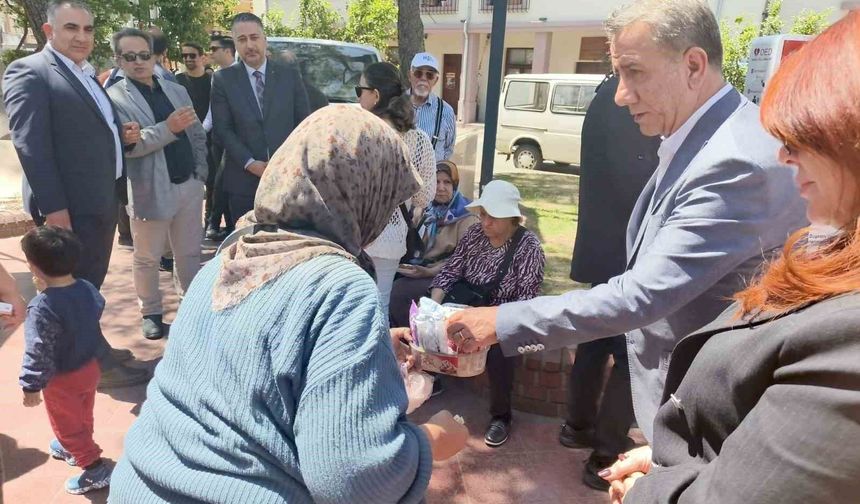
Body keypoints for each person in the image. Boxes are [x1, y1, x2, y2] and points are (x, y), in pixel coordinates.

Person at [446, 0, 808, 446]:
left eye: (634, 72)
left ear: (693, 65)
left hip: (712, 418)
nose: (620, 94)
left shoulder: (732, 161)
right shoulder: (708, 137)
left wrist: (499, 322)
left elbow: (641, 296)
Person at [108, 106, 467, 503]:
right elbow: (354, 478)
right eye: (387, 199)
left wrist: (367, 346)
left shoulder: (233, 252)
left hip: (141, 482)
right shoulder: (340, 285)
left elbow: (258, 356)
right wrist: (432, 442)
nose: (385, 216)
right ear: (361, 191)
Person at [603, 12, 860, 503]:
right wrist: (671, 460)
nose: (783, 157)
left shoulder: (849, 333)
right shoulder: (830, 254)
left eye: (803, 136)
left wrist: (651, 489)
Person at [3, 0, 149, 388]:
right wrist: (55, 210)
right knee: (73, 288)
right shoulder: (30, 72)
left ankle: (94, 349)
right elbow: (31, 146)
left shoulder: (86, 74)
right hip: (69, 209)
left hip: (100, 199)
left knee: (88, 285)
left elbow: (87, 133)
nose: (81, 37)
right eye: (71, 28)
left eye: (87, 29)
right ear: (50, 31)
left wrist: (122, 137)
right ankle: (87, 370)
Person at [559, 73, 661, 490]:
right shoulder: (631, 99)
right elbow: (638, 178)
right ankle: (604, 451)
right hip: (629, 248)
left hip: (602, 245)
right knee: (625, 353)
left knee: (595, 338)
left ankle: (577, 425)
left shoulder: (604, 94)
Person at [107, 28, 208, 340]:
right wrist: (168, 127)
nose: (139, 62)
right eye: (130, 56)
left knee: (189, 253)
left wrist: (200, 171)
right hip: (149, 189)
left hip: (188, 184)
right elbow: (132, 146)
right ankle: (150, 311)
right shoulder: (115, 97)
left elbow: (195, 133)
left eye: (144, 55)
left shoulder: (174, 88)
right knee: (148, 257)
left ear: (155, 56)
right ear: (118, 59)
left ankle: (190, 310)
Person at [430, 180, 545, 447]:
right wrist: (434, 308)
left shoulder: (529, 249)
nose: (485, 222)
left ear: (511, 218)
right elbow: (451, 270)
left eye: (493, 216)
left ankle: (501, 416)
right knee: (411, 304)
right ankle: (431, 375)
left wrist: (491, 326)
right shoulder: (474, 235)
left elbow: (524, 303)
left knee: (501, 349)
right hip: (465, 303)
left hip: (501, 314)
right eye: (483, 214)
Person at [19, 226, 112, 494]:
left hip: (62, 379)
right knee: (82, 412)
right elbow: (99, 304)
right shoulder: (86, 287)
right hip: (89, 367)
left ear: (35, 268)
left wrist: (31, 386)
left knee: (66, 422)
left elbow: (38, 350)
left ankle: (93, 468)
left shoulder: (42, 306)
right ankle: (74, 444)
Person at [211, 12, 311, 222]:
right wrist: (250, 163)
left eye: (254, 38)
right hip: (243, 181)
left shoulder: (289, 76)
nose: (249, 45)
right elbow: (223, 129)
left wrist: (287, 162)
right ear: (235, 45)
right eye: (242, 39)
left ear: (264, 40)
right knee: (245, 245)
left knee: (286, 244)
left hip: (287, 178)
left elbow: (304, 123)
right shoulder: (223, 80)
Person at [358, 61, 436, 317]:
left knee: (351, 307)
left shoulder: (358, 133)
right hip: (390, 236)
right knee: (379, 304)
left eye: (360, 90)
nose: (358, 97)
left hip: (354, 232)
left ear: (375, 95)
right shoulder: (418, 139)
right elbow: (425, 194)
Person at [389, 160, 479, 327]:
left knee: (398, 292)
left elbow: (463, 261)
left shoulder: (467, 216)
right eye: (436, 182)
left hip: (446, 277)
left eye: (447, 182)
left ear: (455, 185)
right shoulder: (425, 209)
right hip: (418, 269)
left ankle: (409, 338)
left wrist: (428, 272)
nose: (441, 187)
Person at [203, 35, 236, 239]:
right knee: (219, 182)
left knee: (225, 182)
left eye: (214, 49)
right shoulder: (217, 76)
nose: (211, 53)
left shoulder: (239, 75)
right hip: (218, 140)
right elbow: (212, 110)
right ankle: (219, 224)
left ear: (227, 51)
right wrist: (201, 130)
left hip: (237, 140)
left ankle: (221, 224)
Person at [408, 52, 456, 161]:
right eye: (418, 73)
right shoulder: (394, 105)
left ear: (436, 80)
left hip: (431, 176)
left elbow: (448, 149)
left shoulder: (446, 112)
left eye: (430, 75)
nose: (423, 79)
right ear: (410, 76)